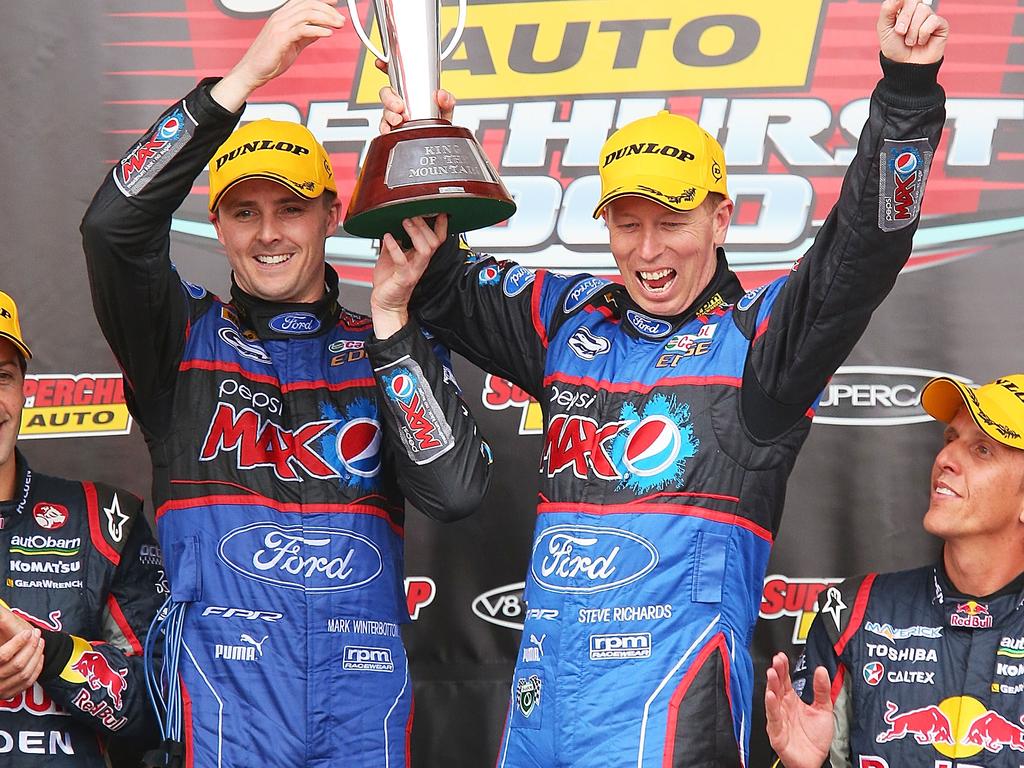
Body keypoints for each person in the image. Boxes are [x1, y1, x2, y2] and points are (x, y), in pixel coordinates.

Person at [373, 0, 949, 764]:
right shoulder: (572, 320)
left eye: (671, 221)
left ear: (721, 219)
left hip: (669, 714)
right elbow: (441, 283)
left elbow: (864, 249)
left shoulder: (759, 344)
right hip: (541, 711)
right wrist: (421, 144)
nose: (648, 250)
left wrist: (905, 96)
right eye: (626, 223)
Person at [79, 1, 492, 766]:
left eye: (290, 208)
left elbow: (457, 491)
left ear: (331, 216)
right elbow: (111, 227)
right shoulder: (179, 338)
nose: (269, 232)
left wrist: (395, 319)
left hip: (364, 708)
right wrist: (242, 79)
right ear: (220, 225)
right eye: (245, 212)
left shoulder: (382, 346)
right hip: (224, 714)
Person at [765, 373, 1024, 768]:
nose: (944, 459)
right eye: (951, 440)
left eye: (983, 450)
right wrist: (804, 766)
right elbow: (802, 751)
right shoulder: (853, 612)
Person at [0, 289, 164, 766]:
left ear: (25, 388)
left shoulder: (103, 519)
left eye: (3, 377)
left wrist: (51, 657)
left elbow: (164, 704)